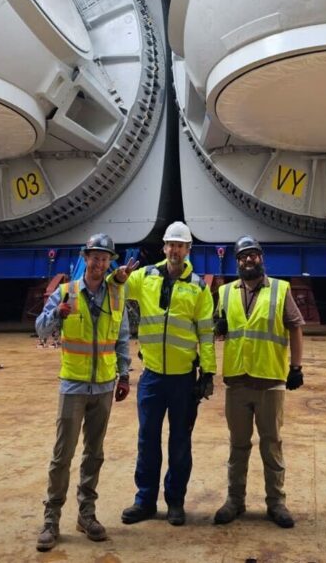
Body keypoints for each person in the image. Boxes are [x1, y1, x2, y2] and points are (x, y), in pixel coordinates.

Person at [113, 221, 216, 527]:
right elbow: (117, 287)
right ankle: (144, 500)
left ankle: (175, 502)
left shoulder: (199, 287)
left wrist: (208, 372)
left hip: (183, 379)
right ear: (164, 247)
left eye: (180, 246)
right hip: (152, 377)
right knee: (147, 440)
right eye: (171, 244)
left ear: (188, 250)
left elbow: (206, 333)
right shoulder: (145, 277)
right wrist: (116, 276)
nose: (175, 250)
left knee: (180, 443)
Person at [34, 233, 131, 552]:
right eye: (95, 257)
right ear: (85, 258)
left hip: (103, 387)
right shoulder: (66, 292)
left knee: (94, 453)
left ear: (109, 263)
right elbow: (40, 328)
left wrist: (124, 375)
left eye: (105, 258)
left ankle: (86, 515)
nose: (99, 263)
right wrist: (56, 314)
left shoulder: (116, 295)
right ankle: (51, 519)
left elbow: (122, 338)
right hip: (73, 386)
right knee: (62, 455)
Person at [213, 235, 304, 529]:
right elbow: (218, 329)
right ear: (237, 262)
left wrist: (296, 367)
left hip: (269, 381)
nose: (248, 260)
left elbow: (295, 327)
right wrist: (218, 327)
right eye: (242, 256)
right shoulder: (225, 292)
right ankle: (234, 501)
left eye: (252, 254)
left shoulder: (279, 289)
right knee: (237, 446)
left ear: (261, 258)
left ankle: (276, 503)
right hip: (237, 382)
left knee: (271, 446)